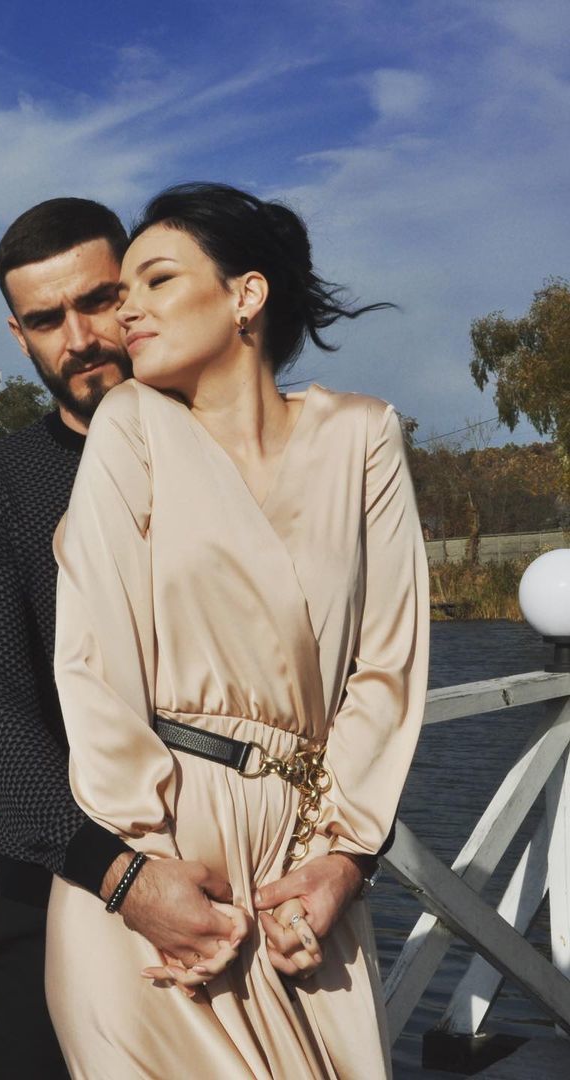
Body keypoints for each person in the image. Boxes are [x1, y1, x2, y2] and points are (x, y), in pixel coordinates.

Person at [0, 196, 376, 1078]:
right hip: (68, 876)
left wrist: (347, 858)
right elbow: (0, 719)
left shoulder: (287, 453)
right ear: (18, 335)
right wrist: (126, 880)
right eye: (45, 320)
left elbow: (358, 677)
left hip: (274, 883)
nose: (80, 338)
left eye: (100, 301)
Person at [47, 182, 429, 1079]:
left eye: (156, 280)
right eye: (122, 292)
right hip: (164, 870)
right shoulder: (131, 427)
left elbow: (388, 664)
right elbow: (93, 661)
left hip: (304, 879)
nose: (124, 311)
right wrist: (143, 874)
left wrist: (344, 859)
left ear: (245, 295)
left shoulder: (362, 437)